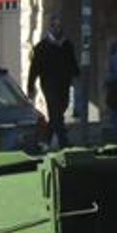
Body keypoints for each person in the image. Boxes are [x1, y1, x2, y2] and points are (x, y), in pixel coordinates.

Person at [26, 14, 79, 149]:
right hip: (49, 85)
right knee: (55, 110)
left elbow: (73, 63)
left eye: (59, 26)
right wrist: (30, 86)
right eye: (54, 26)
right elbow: (34, 68)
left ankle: (46, 140)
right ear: (50, 28)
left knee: (59, 111)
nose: (57, 29)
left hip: (64, 84)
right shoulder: (42, 47)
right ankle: (63, 142)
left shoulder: (67, 45)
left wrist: (76, 74)